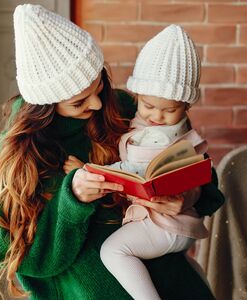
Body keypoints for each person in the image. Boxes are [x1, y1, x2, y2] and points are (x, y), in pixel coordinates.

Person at [0, 4, 225, 300]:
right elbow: (22, 258)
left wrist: (187, 196)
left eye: (99, 86)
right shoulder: (19, 156)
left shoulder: (122, 107)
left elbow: (195, 168)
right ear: (45, 107)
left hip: (170, 279)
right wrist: (74, 200)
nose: (96, 104)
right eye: (79, 102)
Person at [66, 24, 212, 300]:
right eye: (147, 106)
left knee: (113, 251)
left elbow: (132, 171)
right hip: (168, 226)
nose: (156, 116)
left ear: (186, 107)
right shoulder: (139, 119)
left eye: (169, 110)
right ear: (137, 97)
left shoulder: (164, 137)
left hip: (168, 224)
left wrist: (85, 172)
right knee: (179, 270)